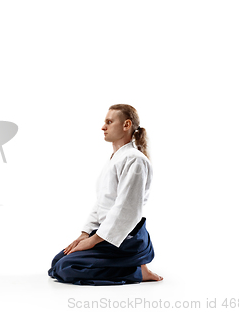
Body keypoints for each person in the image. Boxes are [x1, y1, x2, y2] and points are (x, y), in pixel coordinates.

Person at [48, 104, 163, 285]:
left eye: (109, 122)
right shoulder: (116, 158)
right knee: (57, 263)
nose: (103, 127)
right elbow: (102, 202)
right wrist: (85, 234)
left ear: (126, 125)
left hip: (126, 239)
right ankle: (134, 266)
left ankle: (138, 270)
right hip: (106, 232)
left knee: (66, 269)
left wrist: (93, 240)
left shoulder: (135, 159)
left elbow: (127, 209)